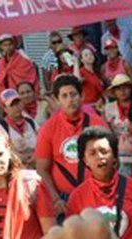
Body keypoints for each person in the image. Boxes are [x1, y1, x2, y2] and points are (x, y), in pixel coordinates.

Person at [36, 75, 111, 210]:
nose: (70, 100)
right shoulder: (48, 128)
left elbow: (111, 160)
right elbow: (42, 169)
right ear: (57, 100)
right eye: (64, 96)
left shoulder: (97, 123)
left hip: (96, 194)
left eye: (73, 94)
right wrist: (55, 199)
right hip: (64, 198)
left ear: (81, 96)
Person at [103, 75, 132, 182]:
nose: (122, 91)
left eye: (125, 87)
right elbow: (106, 132)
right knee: (124, 189)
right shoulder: (109, 108)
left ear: (131, 89)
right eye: (118, 88)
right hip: (120, 158)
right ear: (114, 92)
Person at [0, 88, 38, 166]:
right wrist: (19, 157)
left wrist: (36, 154)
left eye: (18, 103)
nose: (16, 107)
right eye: (12, 105)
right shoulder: (1, 128)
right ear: (5, 109)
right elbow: (3, 150)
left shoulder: (31, 122)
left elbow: (42, 140)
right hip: (18, 167)